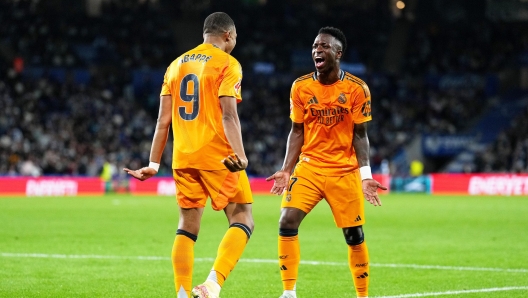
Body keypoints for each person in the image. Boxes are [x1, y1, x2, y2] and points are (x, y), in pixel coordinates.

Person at [123, 12, 254, 298]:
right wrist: (241, 156)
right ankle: (212, 284)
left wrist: (153, 163)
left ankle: (182, 293)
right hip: (218, 156)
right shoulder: (227, 63)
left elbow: (162, 121)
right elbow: (229, 116)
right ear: (228, 35)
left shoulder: (175, 65)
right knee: (243, 218)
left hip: (182, 158)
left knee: (187, 227)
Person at [266, 27, 387, 298]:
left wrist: (365, 175)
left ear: (338, 53)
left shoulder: (357, 89)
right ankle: (288, 292)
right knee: (286, 221)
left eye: (323, 46)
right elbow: (296, 131)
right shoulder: (300, 86)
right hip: (309, 166)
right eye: (314, 46)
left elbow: (360, 135)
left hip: (344, 170)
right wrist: (286, 170)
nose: (316, 51)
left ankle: (362, 295)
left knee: (353, 235)